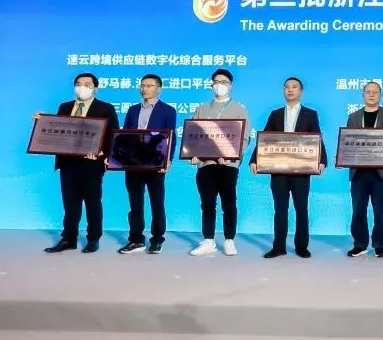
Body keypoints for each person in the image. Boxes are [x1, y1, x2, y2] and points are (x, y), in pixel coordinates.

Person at [41, 72, 119, 253]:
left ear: (95, 88)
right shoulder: (65, 106)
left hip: (92, 163)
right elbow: (57, 129)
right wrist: (42, 122)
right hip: (67, 162)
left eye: (87, 84)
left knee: (93, 202)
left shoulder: (105, 108)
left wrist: (102, 154)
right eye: (78, 83)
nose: (82, 87)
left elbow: (113, 135)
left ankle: (93, 238)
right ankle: (69, 239)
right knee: (70, 203)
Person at [250, 77, 327, 259]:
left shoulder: (310, 114)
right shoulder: (275, 114)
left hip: (301, 170)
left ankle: (302, 247)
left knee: (301, 209)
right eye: (286, 87)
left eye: (294, 87)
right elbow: (265, 138)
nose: (290, 90)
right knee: (280, 209)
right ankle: (279, 247)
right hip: (279, 170)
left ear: (301, 91)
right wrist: (254, 159)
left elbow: (317, 138)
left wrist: (322, 160)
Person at [188, 69, 251, 257]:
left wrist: (232, 156)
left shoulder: (239, 109)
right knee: (207, 204)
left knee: (228, 203)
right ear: (211, 85)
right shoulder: (202, 108)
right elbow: (193, 135)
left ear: (230, 86)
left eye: (223, 82)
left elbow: (244, 138)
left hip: (228, 166)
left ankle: (229, 240)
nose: (219, 85)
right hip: (205, 165)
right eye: (216, 82)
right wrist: (193, 154)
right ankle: (208, 240)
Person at [118, 74, 177, 255]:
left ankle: (157, 239)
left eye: (149, 85)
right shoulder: (133, 110)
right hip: (133, 163)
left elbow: (171, 137)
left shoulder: (167, 110)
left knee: (157, 203)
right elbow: (125, 136)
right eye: (142, 85)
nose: (144, 89)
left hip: (155, 163)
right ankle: (136, 239)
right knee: (135, 204)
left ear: (159, 89)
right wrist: (120, 158)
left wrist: (168, 159)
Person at [345, 81, 383, 258]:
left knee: (380, 210)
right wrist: (342, 156)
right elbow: (347, 142)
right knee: (358, 210)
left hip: (380, 172)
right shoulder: (353, 117)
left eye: (375, 92)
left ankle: (380, 245)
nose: (372, 95)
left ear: (381, 95)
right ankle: (360, 244)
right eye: (368, 92)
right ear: (363, 95)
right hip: (358, 172)